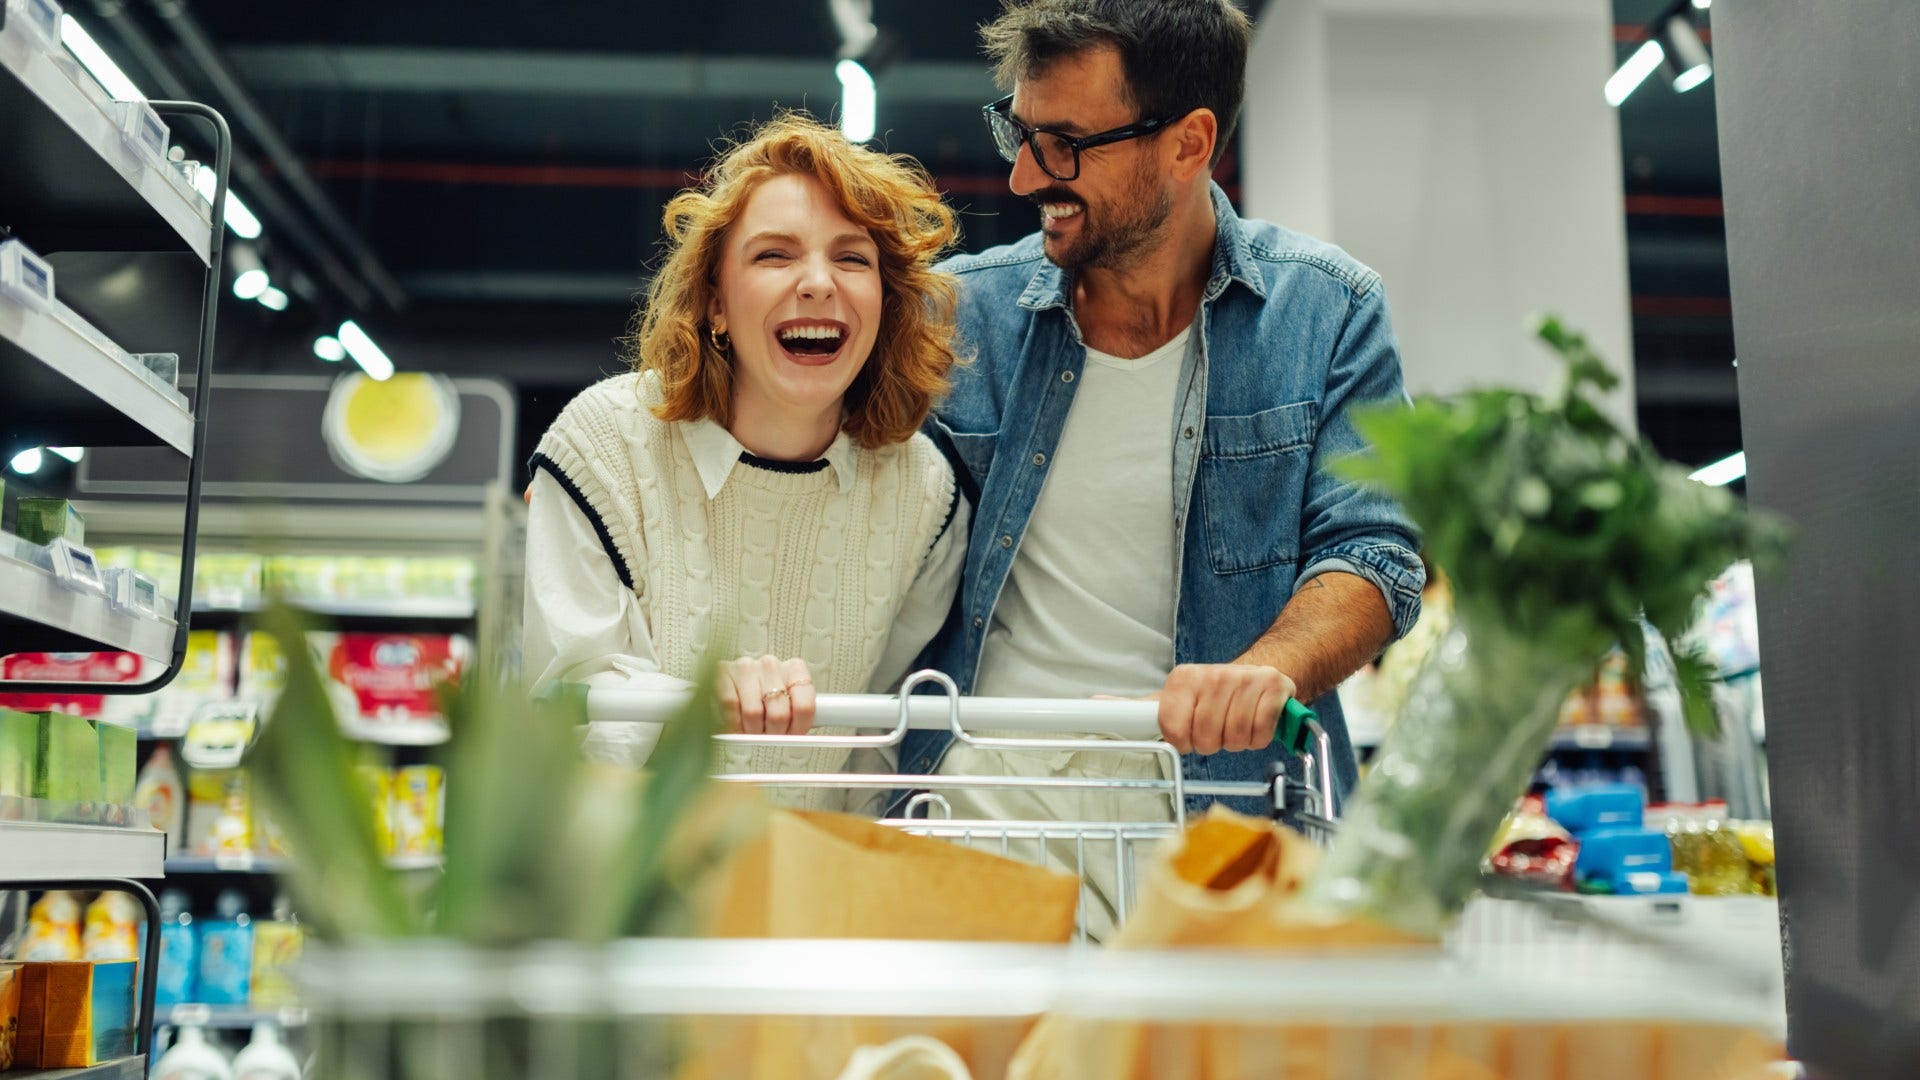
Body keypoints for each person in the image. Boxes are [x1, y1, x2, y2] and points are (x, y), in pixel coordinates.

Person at [907, 0, 1426, 934]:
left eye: (1063, 143)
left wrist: (1264, 672)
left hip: (1218, 846)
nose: (1026, 175)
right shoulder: (964, 319)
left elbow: (1376, 553)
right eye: (1020, 134)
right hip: (985, 838)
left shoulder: (1326, 313)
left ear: (1189, 144)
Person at [523, 114, 969, 814]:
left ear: (886, 302)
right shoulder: (602, 445)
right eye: (774, 256)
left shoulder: (925, 492)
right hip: (620, 890)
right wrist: (693, 701)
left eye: (852, 258)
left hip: (808, 895)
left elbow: (876, 740)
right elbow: (567, 701)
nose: (819, 282)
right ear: (715, 304)